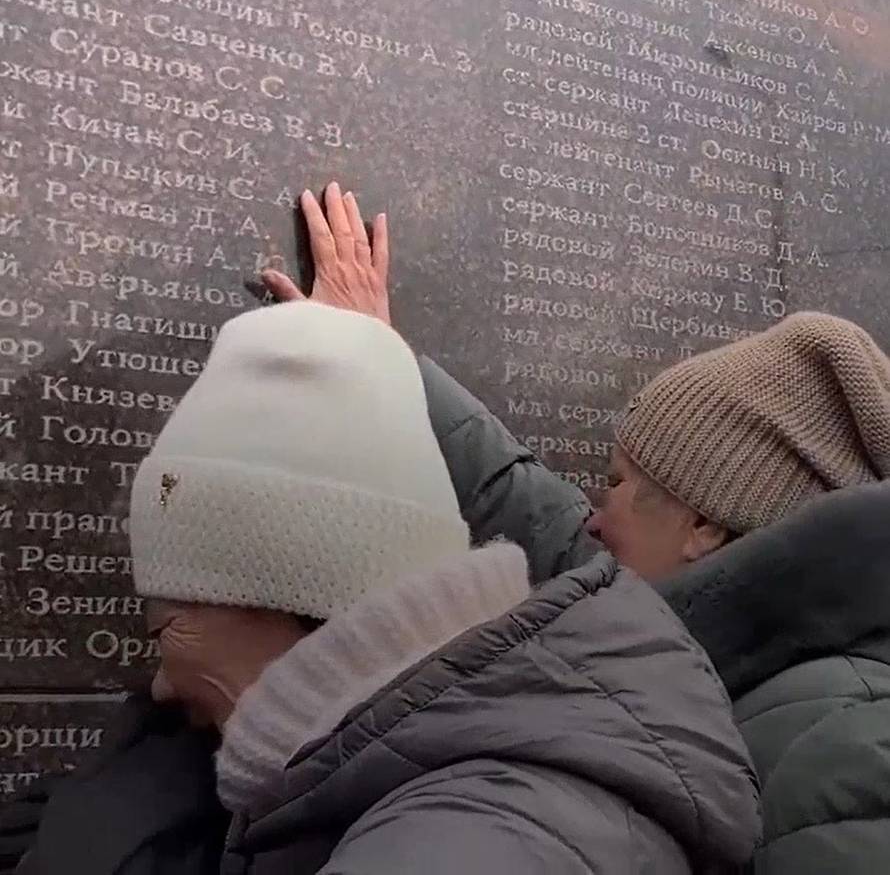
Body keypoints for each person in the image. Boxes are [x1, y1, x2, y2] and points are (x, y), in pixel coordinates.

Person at [14, 202, 760, 874]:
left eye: (167, 618)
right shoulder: (505, 768)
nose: (158, 685)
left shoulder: (479, 837)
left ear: (289, 585)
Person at [263, 183, 890, 874]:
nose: (594, 515)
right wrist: (379, 361)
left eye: (618, 483)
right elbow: (542, 518)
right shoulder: (720, 639)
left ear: (705, 526)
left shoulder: (840, 742)